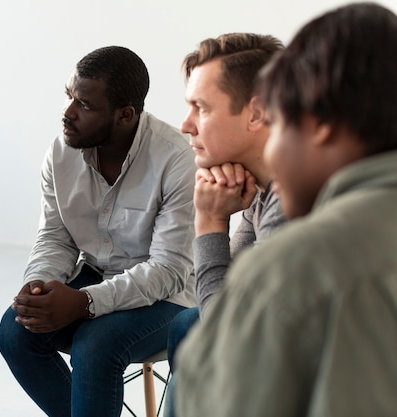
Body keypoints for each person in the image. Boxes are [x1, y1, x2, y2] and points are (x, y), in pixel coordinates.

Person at [176, 2, 397, 416]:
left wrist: (209, 222)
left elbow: (226, 347)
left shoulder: (296, 262)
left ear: (319, 125)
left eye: (281, 123)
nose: (186, 125)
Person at [0, 45, 196, 417]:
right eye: (69, 96)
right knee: (15, 332)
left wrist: (85, 302)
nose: (67, 113)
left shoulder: (176, 159)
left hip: (171, 293)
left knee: (96, 345)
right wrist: (38, 282)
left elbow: (168, 270)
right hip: (98, 271)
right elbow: (56, 237)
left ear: (124, 115)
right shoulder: (61, 152)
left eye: (84, 105)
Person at [167, 33, 286, 367]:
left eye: (200, 108)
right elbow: (228, 295)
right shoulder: (263, 188)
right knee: (185, 324)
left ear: (256, 114)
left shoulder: (291, 203)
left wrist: (210, 221)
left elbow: (225, 332)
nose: (185, 125)